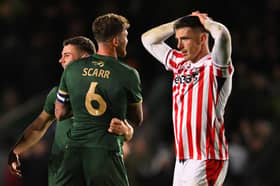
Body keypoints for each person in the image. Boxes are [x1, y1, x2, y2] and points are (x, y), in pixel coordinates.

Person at [8, 36, 135, 186]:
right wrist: (16, 151)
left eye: (66, 56)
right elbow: (39, 126)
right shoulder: (56, 94)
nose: (60, 60)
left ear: (84, 59)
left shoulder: (105, 91)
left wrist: (125, 130)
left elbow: (128, 131)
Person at [141, 11, 234, 186]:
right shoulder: (180, 63)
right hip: (183, 159)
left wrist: (206, 22)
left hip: (206, 157)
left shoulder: (214, 67)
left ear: (202, 39)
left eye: (185, 39)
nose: (179, 45)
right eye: (177, 39)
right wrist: (179, 22)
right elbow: (147, 39)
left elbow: (222, 35)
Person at [55, 13, 143, 186]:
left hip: (72, 155)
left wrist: (83, 112)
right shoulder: (128, 74)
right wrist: (127, 131)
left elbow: (59, 113)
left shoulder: (72, 69)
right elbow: (137, 119)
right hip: (105, 154)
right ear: (116, 41)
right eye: (125, 36)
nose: (127, 41)